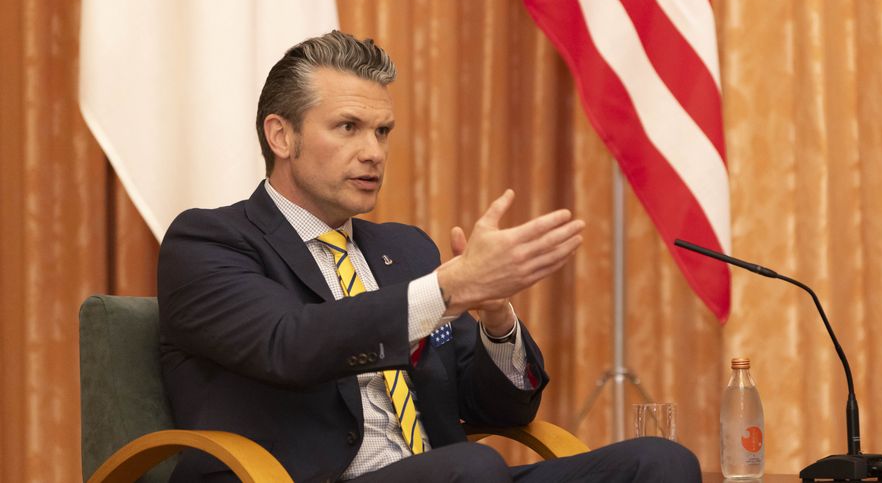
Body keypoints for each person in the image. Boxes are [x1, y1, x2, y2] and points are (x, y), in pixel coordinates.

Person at [157, 31, 701, 482]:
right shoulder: (210, 242)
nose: (373, 152)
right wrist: (445, 292)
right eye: (348, 127)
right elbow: (290, 344)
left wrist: (494, 316)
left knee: (659, 461)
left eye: (382, 131)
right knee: (471, 466)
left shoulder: (405, 250)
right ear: (281, 135)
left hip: (457, 475)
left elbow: (500, 412)